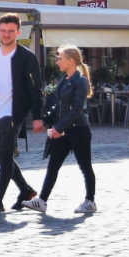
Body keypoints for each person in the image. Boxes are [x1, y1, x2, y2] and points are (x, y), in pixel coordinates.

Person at [0, 13, 44, 214]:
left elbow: (36, 88)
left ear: (18, 32)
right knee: (1, 156)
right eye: (3, 31)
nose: (6, 35)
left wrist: (38, 116)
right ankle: (26, 190)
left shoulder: (27, 57)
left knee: (5, 153)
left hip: (14, 112)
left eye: (11, 31)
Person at [22, 44, 96, 215]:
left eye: (60, 58)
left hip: (79, 131)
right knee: (52, 166)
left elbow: (76, 110)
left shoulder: (81, 81)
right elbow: (58, 106)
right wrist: (45, 121)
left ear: (70, 61)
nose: (57, 61)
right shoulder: (64, 79)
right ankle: (41, 201)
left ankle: (90, 201)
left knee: (85, 167)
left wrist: (58, 127)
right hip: (62, 131)